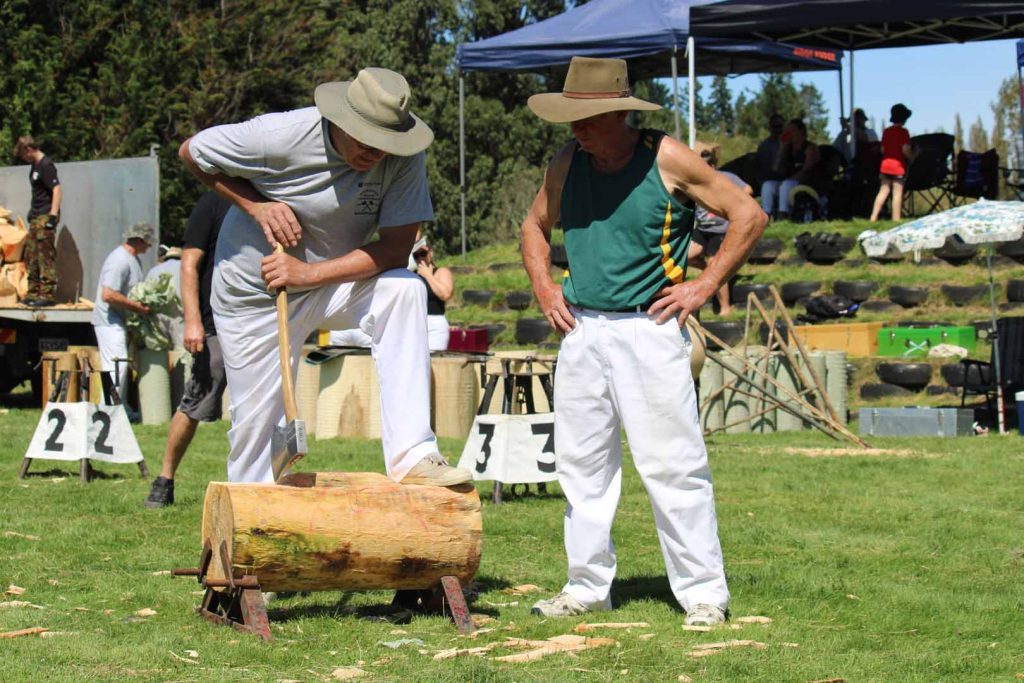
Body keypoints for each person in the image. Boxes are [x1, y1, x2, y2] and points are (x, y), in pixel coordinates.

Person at [519, 57, 767, 626]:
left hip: (649, 328)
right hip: (580, 329)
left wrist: (703, 285)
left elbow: (747, 214)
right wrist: (543, 287)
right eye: (570, 117)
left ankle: (704, 594)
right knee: (581, 468)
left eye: (587, 117)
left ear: (619, 113)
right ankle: (585, 588)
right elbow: (534, 225)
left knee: (673, 465)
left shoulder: (668, 157)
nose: (576, 128)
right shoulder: (567, 161)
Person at [179, 67, 470, 487]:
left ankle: (415, 457)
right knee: (257, 434)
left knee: (404, 289)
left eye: (385, 143)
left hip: (327, 281)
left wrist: (309, 273)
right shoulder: (279, 134)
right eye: (366, 140)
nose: (375, 153)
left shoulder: (404, 155)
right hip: (255, 295)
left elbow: (394, 248)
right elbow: (192, 152)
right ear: (341, 119)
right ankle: (247, 537)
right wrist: (257, 206)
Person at [145, 191, 231, 508]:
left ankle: (267, 486)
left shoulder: (273, 196)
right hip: (213, 324)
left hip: (258, 325)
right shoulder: (212, 202)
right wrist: (193, 321)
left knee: (266, 411)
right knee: (194, 404)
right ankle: (164, 479)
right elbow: (189, 265)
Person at [689, 142, 754, 317]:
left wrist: (732, 205)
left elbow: (748, 189)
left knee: (715, 264)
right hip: (703, 229)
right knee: (685, 256)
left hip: (721, 230)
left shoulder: (725, 177)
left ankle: (725, 307)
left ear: (712, 164)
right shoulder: (693, 180)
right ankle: (714, 272)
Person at [91, 222, 154, 403]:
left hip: (119, 321)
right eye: (148, 243)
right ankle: (110, 408)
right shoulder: (119, 260)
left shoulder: (133, 259)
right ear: (140, 241)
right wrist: (137, 307)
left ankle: (121, 406)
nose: (149, 247)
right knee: (116, 364)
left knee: (121, 365)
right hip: (109, 321)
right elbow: (108, 294)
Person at [14, 135, 62, 307]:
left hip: (45, 217)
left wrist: (52, 216)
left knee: (45, 257)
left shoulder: (46, 165)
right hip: (36, 217)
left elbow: (56, 189)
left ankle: (47, 295)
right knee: (32, 256)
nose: (24, 159)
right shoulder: (34, 166)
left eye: (24, 155)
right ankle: (33, 293)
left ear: (29, 149)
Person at [760, 118, 820, 220]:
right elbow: (777, 169)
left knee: (786, 185)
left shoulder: (809, 147)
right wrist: (782, 149)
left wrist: (790, 179)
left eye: (791, 131)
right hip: (786, 182)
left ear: (800, 132)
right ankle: (765, 215)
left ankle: (783, 214)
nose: (789, 134)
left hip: (804, 182)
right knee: (768, 185)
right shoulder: (788, 149)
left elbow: (807, 169)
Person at [870, 103, 915, 222]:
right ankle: (896, 219)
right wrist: (911, 158)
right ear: (904, 118)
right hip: (898, 166)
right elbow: (905, 149)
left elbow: (882, 149)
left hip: (885, 165)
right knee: (897, 192)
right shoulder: (903, 132)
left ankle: (873, 217)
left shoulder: (886, 132)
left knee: (883, 191)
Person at [411, 236, 453, 351]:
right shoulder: (411, 275)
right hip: (414, 323)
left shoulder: (440, 272)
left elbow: (446, 294)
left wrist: (428, 276)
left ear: (431, 253)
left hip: (434, 324)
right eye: (416, 255)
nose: (420, 258)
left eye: (423, 253)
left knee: (433, 362)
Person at [755, 114, 784, 191]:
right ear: (770, 128)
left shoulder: (789, 143)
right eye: (775, 127)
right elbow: (766, 171)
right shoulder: (765, 146)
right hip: (769, 181)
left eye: (780, 126)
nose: (778, 129)